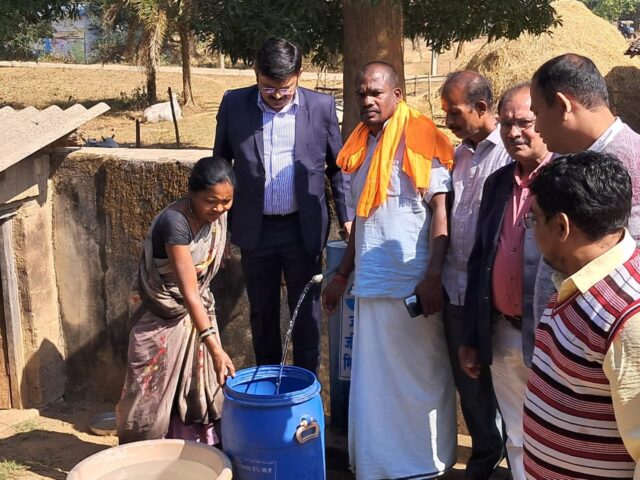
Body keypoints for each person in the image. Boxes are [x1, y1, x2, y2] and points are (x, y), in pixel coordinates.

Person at [323, 61, 456, 479]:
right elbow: (363, 222)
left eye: (376, 92)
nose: (367, 100)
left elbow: (441, 211)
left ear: (397, 94)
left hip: (413, 286)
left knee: (421, 377)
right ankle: (379, 465)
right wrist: (342, 275)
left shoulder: (421, 136)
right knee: (374, 382)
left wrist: (433, 275)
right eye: (361, 93)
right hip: (371, 283)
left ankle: (424, 465)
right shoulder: (362, 145)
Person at [213, 37, 351, 375]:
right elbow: (219, 168)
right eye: (268, 88)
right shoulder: (234, 104)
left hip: (303, 230)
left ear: (299, 75)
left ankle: (305, 388)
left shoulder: (321, 107)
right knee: (262, 313)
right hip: (255, 230)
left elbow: (338, 169)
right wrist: (217, 226)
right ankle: (269, 386)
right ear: (256, 74)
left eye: (284, 88)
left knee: (306, 315)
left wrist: (347, 218)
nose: (276, 95)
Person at [522, 151, 640, 479]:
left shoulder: (629, 318)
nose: (532, 230)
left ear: (561, 226)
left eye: (534, 219)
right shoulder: (577, 281)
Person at [460, 83, 552, 480]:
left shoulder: (565, 181)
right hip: (500, 333)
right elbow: (479, 258)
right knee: (516, 434)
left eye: (525, 123)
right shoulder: (497, 183)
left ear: (544, 120)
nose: (514, 133)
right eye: (507, 124)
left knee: (553, 435)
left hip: (548, 338)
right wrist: (471, 336)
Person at [117, 156, 236, 445]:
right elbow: (189, 292)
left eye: (227, 201)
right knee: (147, 393)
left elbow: (203, 273)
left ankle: (194, 451)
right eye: (211, 201)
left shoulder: (216, 217)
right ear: (192, 193)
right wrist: (215, 349)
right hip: (159, 313)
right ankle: (141, 456)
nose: (219, 209)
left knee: (196, 387)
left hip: (197, 313)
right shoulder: (175, 223)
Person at [530, 53, 640, 320]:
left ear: (563, 105)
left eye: (537, 113)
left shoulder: (626, 163)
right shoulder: (572, 157)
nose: (536, 126)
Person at [440, 70, 510, 479]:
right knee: (469, 385)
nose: (447, 120)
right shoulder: (459, 155)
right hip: (455, 289)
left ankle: (517, 461)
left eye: (454, 112)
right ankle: (484, 461)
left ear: (481, 108)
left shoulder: (509, 154)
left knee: (507, 383)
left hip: (493, 295)